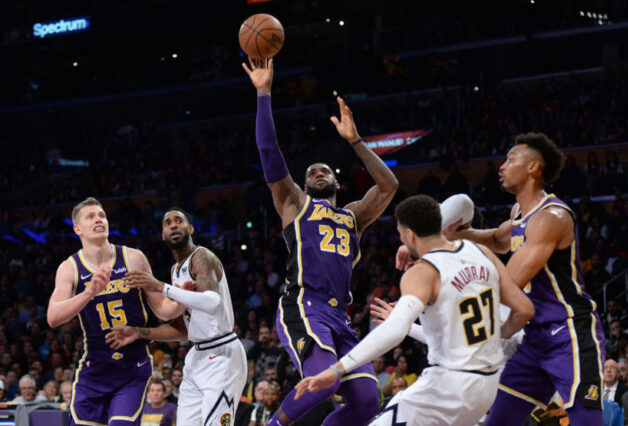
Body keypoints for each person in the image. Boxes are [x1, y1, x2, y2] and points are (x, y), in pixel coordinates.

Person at [243, 57, 399, 426]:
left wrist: (357, 142)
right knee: (324, 386)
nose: (317, 172)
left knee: (366, 402)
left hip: (339, 317)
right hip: (303, 305)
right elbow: (269, 154)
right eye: (312, 171)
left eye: (325, 170)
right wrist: (264, 93)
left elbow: (389, 186)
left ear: (338, 184)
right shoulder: (295, 203)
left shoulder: (353, 216)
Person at [294, 195, 534, 425]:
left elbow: (394, 331)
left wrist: (337, 369)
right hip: (488, 386)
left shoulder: (422, 271)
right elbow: (524, 309)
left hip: (449, 385)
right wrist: (498, 334)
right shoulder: (481, 252)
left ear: (409, 235)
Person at [449, 133, 605, 425]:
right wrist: (451, 237)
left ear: (533, 167)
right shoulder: (520, 212)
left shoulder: (551, 217)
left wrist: (444, 272)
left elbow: (507, 284)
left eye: (511, 159)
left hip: (569, 333)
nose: (502, 166)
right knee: (500, 421)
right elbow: (497, 238)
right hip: (535, 339)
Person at [47, 198, 185, 426]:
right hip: (95, 368)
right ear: (77, 229)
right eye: (90, 216)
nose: (99, 219)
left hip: (132, 367)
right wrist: (89, 292)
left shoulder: (133, 258)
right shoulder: (69, 267)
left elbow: (163, 310)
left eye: (102, 215)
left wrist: (183, 297)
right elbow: (53, 317)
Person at [106, 208, 248, 425]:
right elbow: (182, 329)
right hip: (196, 356)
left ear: (190, 229)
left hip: (221, 354)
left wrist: (160, 287)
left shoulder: (202, 257)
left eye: (179, 221)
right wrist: (139, 333)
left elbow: (212, 302)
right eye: (168, 223)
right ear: (163, 234)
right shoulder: (176, 270)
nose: (173, 225)